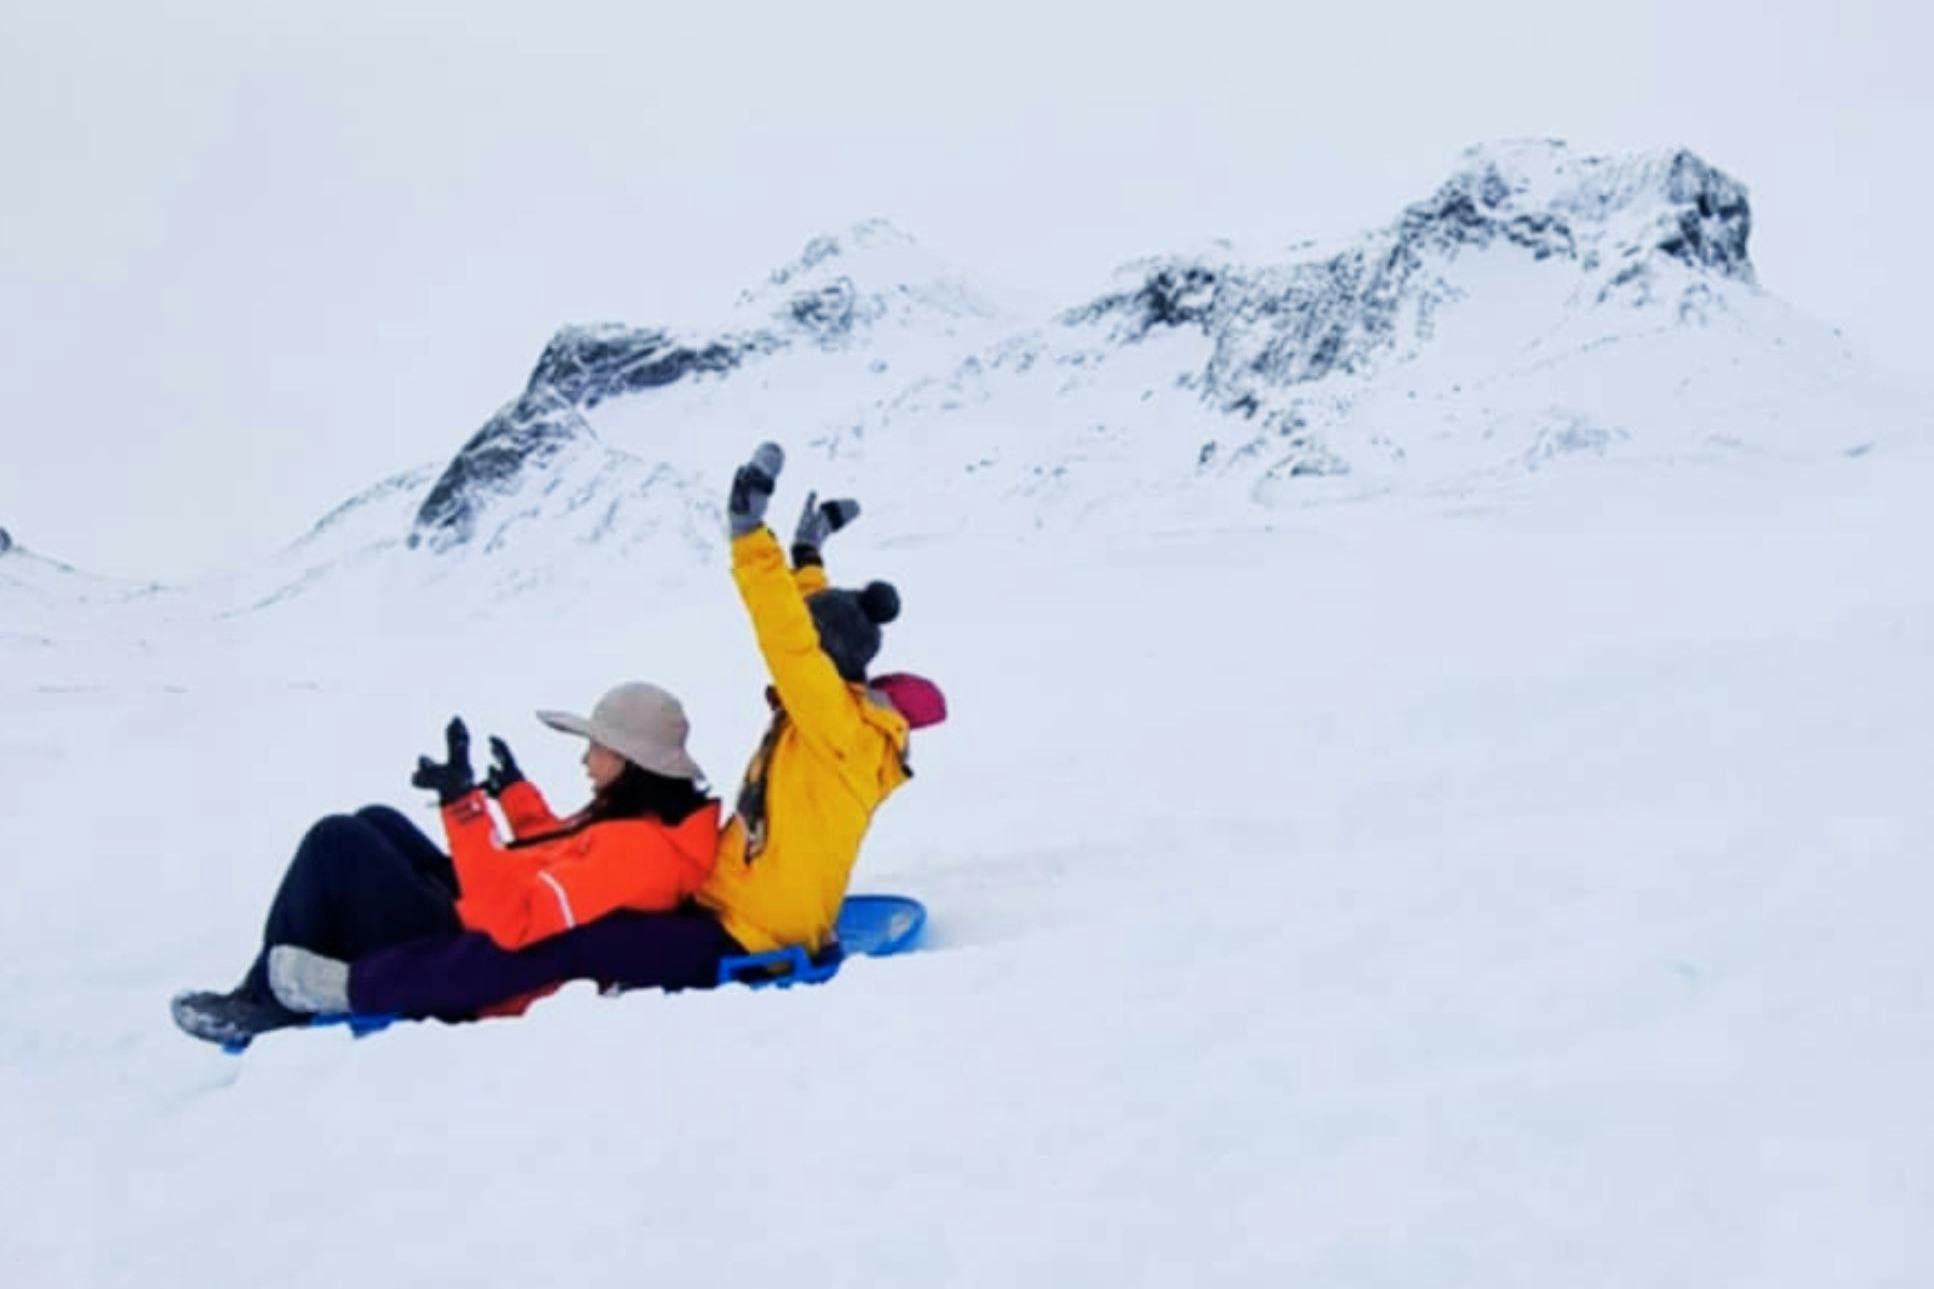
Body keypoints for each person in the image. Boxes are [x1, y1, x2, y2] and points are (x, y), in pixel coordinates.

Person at [261, 441, 941, 1023]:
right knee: (556, 917)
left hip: (742, 935)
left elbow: (793, 641)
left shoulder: (837, 729)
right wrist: (804, 551)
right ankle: (360, 965)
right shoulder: (840, 716)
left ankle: (357, 987)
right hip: (725, 908)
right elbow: (811, 626)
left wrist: (748, 541)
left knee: (579, 940)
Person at [170, 683, 720, 1047]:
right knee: (378, 820)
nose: (585, 760)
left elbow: (517, 921)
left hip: (467, 942)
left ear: (633, 763)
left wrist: (465, 810)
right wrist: (515, 797)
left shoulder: (641, 853)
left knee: (337, 842)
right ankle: (288, 973)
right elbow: (561, 856)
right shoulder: (641, 825)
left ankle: (265, 1002)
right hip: (479, 915)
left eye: (598, 749)